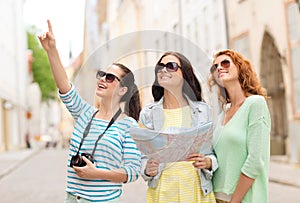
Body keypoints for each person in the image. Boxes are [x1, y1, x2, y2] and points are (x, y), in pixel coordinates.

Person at [38, 20, 142, 203]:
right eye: (102, 74)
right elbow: (65, 88)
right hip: (72, 198)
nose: (102, 79)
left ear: (123, 89)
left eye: (110, 78)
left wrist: (96, 173)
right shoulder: (85, 114)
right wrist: (51, 50)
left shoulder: (129, 126)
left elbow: (132, 172)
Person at [139, 51, 217, 203]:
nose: (163, 70)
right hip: (163, 193)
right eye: (160, 67)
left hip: (196, 191)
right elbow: (142, 158)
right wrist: (147, 169)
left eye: (171, 66)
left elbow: (212, 153)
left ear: (185, 75)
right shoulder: (148, 114)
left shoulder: (203, 111)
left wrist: (208, 162)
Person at [208, 49, 271, 203]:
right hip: (214, 198)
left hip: (243, 199)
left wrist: (234, 201)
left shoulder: (255, 104)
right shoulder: (223, 113)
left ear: (240, 68)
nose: (219, 68)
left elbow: (255, 160)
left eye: (225, 63)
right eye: (214, 67)